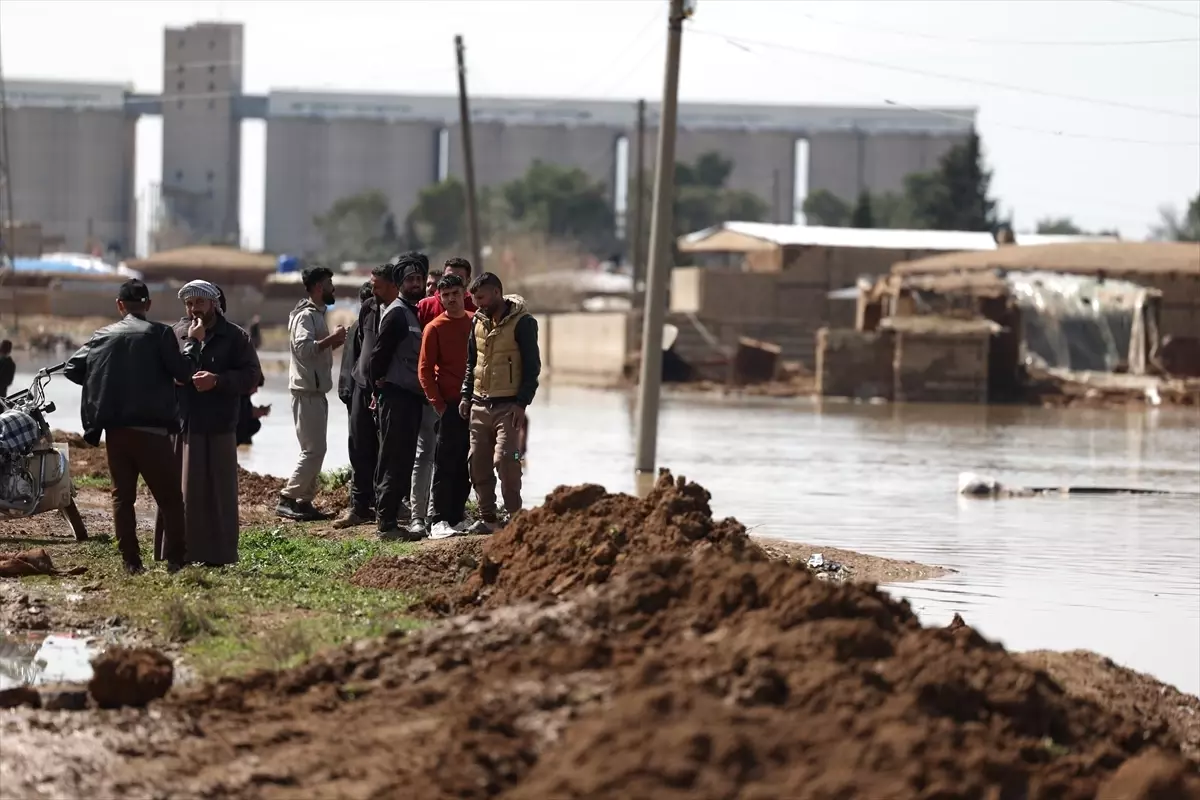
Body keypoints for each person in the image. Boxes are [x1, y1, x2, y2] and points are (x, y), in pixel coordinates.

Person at [63, 279, 204, 574]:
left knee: (122, 498)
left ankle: (131, 563)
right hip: (152, 434)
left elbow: (73, 368)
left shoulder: (102, 336)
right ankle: (177, 562)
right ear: (148, 305)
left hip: (116, 435)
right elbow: (184, 373)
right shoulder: (161, 334)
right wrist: (193, 342)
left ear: (119, 305)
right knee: (169, 499)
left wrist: (104, 379)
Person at [157, 279, 262, 567]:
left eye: (199, 303)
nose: (194, 310)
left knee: (219, 494)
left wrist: (218, 381)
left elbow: (252, 376)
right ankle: (178, 553)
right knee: (179, 492)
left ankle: (218, 555)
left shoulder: (236, 337)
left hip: (219, 425)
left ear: (213, 304)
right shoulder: (176, 334)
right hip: (183, 425)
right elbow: (161, 375)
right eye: (189, 304)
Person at [460, 272, 541, 534]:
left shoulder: (523, 323)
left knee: (507, 459)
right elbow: (472, 362)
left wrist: (522, 404)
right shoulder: (478, 322)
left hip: (509, 408)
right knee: (478, 463)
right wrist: (465, 395)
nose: (478, 304)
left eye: (481, 298)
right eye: (475, 299)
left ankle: (515, 518)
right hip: (479, 406)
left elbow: (532, 367)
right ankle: (488, 518)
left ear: (497, 292)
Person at [277, 267, 346, 521]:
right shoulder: (305, 316)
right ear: (318, 287)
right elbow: (304, 349)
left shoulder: (316, 314)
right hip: (306, 392)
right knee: (313, 450)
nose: (332, 288)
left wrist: (333, 341)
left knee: (317, 449)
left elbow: (314, 351)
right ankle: (287, 497)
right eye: (329, 283)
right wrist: (332, 339)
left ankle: (304, 501)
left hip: (315, 392)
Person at [369, 255, 428, 539]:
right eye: (410, 280)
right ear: (400, 284)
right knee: (393, 458)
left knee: (403, 459)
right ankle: (387, 524)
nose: (416, 284)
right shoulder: (396, 313)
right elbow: (377, 357)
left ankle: (389, 519)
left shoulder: (415, 311)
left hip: (411, 397)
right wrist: (378, 388)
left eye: (419, 279)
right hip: (396, 397)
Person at [419, 273, 475, 539]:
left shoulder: (475, 324)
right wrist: (438, 404)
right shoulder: (434, 328)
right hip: (449, 405)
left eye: (455, 293)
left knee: (468, 462)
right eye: (446, 295)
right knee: (444, 463)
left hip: (475, 405)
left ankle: (457, 516)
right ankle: (438, 520)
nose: (451, 299)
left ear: (465, 293)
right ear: (439, 298)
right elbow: (425, 370)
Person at [333, 281, 381, 529]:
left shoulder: (360, 327)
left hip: (356, 396)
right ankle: (361, 505)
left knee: (365, 451)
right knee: (363, 452)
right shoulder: (363, 328)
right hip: (359, 397)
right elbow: (354, 366)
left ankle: (366, 503)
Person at [417, 258, 476, 326]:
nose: (453, 281)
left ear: (468, 280)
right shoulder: (425, 306)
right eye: (449, 276)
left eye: (459, 278)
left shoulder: (475, 312)